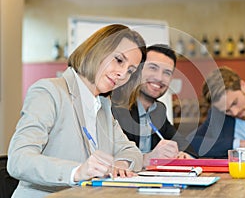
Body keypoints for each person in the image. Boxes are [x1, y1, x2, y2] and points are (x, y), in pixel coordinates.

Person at [7, 24, 146, 197]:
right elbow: (19, 160)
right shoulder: (49, 91)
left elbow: (132, 152)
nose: (122, 74)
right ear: (97, 49)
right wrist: (77, 171)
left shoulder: (102, 106)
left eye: (130, 71)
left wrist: (122, 164)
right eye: (119, 60)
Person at [112, 44, 198, 167]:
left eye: (167, 73)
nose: (159, 77)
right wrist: (148, 158)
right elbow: (110, 157)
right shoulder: (116, 105)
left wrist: (183, 155)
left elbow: (185, 147)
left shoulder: (158, 110)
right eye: (153, 68)